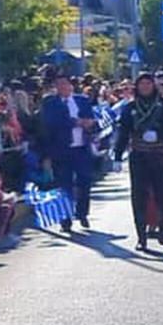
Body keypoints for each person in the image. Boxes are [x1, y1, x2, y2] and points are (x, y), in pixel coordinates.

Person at [113, 72, 163, 251]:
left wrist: (160, 135)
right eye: (142, 84)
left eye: (148, 84)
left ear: (153, 86)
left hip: (160, 155)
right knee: (139, 197)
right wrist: (118, 156)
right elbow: (123, 132)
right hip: (139, 155)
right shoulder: (130, 108)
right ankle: (141, 237)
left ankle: (162, 227)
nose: (145, 87)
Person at [40, 73, 97, 233]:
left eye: (65, 84)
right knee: (64, 186)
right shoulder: (50, 102)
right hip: (61, 150)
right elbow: (51, 122)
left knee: (85, 182)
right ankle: (65, 219)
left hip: (81, 149)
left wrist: (89, 123)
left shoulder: (82, 100)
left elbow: (91, 119)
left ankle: (82, 213)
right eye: (58, 85)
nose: (62, 87)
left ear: (71, 85)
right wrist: (75, 122)